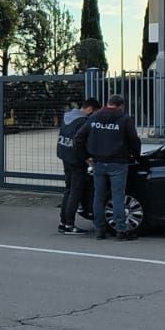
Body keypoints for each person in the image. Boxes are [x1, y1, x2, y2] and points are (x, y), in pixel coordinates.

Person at [75, 94, 142, 241]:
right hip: (118, 163)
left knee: (98, 196)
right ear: (121, 105)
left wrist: (86, 157)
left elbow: (78, 138)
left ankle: (99, 230)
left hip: (98, 162)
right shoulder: (124, 119)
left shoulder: (94, 117)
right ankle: (121, 230)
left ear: (108, 103)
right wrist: (136, 157)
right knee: (117, 196)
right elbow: (134, 141)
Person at [57, 97, 101, 235]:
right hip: (77, 160)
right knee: (75, 192)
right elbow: (81, 143)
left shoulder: (67, 116)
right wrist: (88, 159)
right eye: (94, 113)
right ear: (90, 109)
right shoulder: (83, 121)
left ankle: (63, 223)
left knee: (68, 190)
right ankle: (70, 224)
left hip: (65, 156)